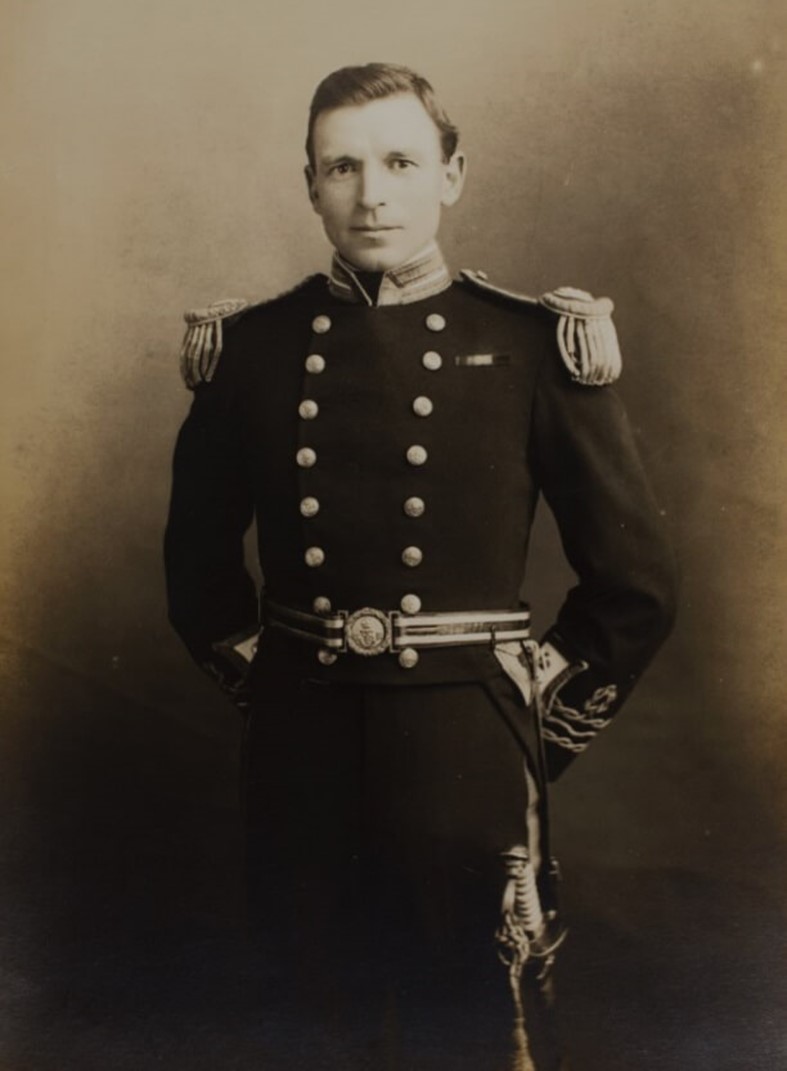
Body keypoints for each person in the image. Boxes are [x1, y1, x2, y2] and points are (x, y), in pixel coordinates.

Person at [164, 63, 677, 1071]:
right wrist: (273, 692)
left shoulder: (531, 345)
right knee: (311, 1027)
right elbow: (197, 575)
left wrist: (527, 720)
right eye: (341, 167)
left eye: (399, 161)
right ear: (308, 184)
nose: (371, 193)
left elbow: (636, 587)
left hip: (468, 756)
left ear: (452, 174)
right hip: (300, 751)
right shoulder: (251, 350)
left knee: (479, 1031)